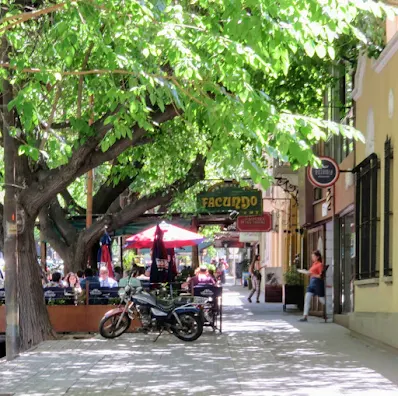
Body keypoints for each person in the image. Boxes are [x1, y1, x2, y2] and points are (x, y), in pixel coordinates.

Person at [299, 250, 325, 322]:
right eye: (312, 256)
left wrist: (310, 274)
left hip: (317, 283)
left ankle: (331, 309)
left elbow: (320, 276)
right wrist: (306, 272)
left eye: (313, 256)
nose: (312, 258)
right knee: (307, 299)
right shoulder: (314, 264)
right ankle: (305, 316)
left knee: (322, 300)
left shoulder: (320, 264)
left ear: (318, 257)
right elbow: (311, 273)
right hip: (311, 283)